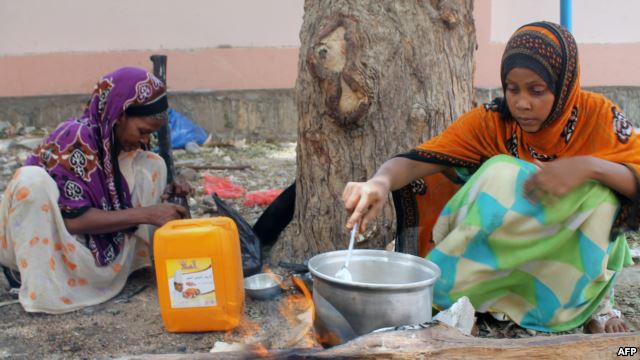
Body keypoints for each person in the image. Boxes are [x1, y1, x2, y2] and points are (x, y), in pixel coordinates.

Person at [342, 22, 636, 333]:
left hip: (565, 262)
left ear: (564, 85)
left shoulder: (599, 118)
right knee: (501, 171)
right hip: (505, 251)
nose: (522, 103)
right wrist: (379, 182)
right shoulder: (494, 122)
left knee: (606, 195)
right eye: (513, 89)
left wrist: (589, 167)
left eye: (537, 91)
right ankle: (476, 298)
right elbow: (419, 160)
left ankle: (593, 304)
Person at [0, 67, 190, 313]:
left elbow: (120, 190)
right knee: (31, 181)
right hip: (55, 241)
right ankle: (39, 282)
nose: (145, 140)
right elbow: (74, 221)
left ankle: (134, 266)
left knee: (152, 162)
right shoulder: (75, 138)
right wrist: (148, 214)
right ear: (118, 114)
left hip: (91, 241)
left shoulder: (113, 140)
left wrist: (170, 191)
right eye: (142, 131)